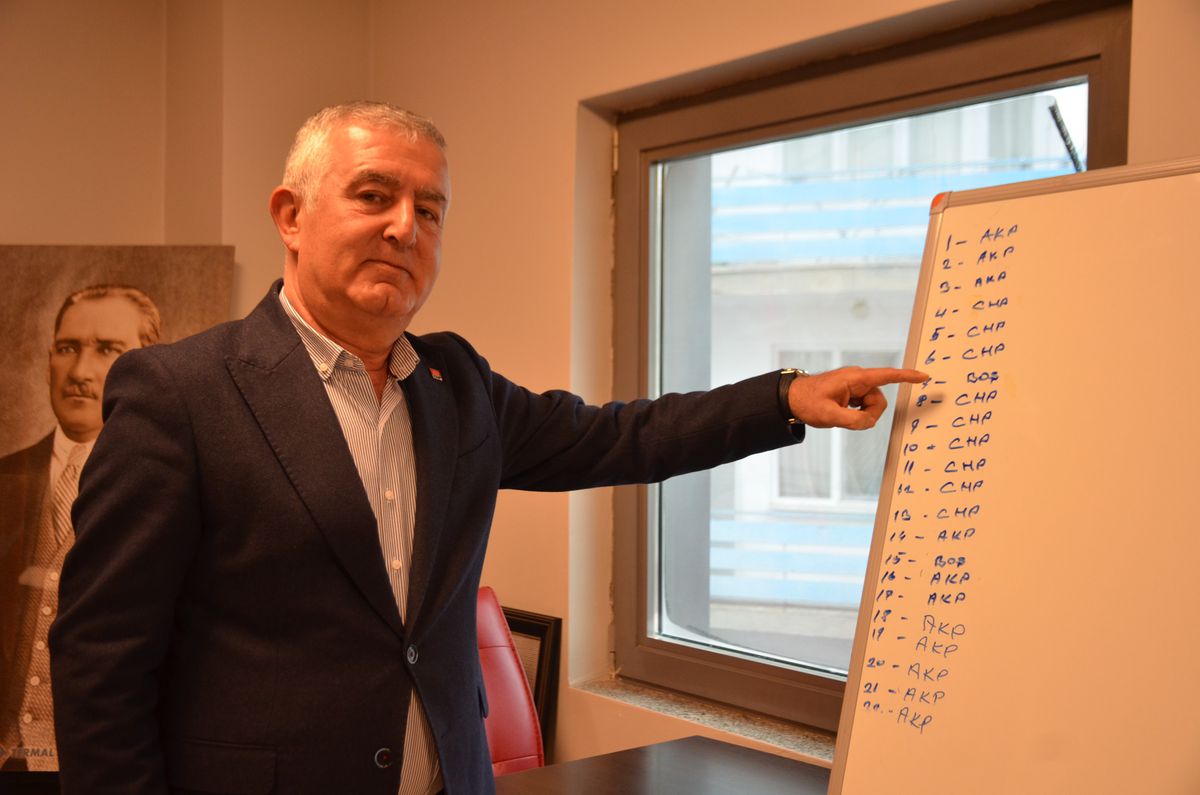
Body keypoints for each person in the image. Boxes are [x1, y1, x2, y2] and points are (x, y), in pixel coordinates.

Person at [50, 102, 926, 795]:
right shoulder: (180, 394)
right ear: (291, 214)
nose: (405, 227)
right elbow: (100, 661)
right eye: (373, 196)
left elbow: (617, 435)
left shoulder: (455, 383)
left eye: (429, 210)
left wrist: (783, 399)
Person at [0, 285, 160, 771]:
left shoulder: (164, 492)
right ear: (49, 359)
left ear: (148, 367)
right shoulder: (5, 481)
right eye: (68, 349)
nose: (80, 372)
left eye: (107, 350)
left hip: (104, 770)